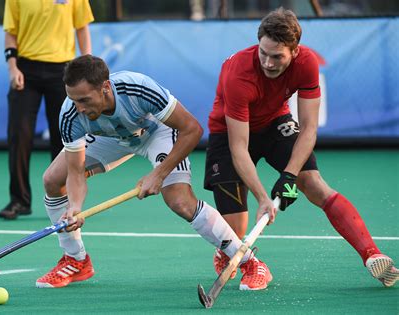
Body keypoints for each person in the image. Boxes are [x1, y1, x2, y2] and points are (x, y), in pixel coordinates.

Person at [34, 55, 270, 288]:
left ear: (105, 87)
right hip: (114, 139)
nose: (79, 108)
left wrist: (159, 174)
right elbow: (75, 171)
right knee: (53, 179)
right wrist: (74, 207)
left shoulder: (136, 88)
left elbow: (192, 129)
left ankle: (250, 262)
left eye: (84, 100)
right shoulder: (71, 114)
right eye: (74, 100)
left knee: (179, 201)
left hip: (157, 132)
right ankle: (76, 260)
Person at [204, 7, 398, 290]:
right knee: (235, 230)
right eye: (263, 53)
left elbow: (308, 128)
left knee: (313, 183)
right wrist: (262, 198)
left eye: (277, 56)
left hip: (274, 123)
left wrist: (289, 176)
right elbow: (239, 147)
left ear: (294, 51)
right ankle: (229, 252)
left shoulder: (307, 63)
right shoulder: (238, 74)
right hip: (229, 132)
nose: (268, 63)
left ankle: (372, 254)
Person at [0, 0, 94, 220]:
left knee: (65, 137)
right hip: (26, 69)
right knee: (19, 134)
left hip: (64, 70)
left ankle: (67, 199)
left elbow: (82, 27)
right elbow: (10, 33)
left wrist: (86, 65)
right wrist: (12, 68)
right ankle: (19, 200)